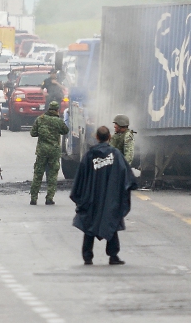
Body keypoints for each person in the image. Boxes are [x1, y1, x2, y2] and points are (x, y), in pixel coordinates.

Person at [70, 125, 138, 266]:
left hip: (92, 198)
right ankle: (113, 256)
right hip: (110, 198)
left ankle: (87, 256)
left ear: (96, 137)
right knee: (111, 222)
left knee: (89, 225)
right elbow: (126, 175)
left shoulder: (89, 156)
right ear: (109, 137)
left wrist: (79, 197)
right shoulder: (116, 155)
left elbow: (80, 178)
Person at [29, 101, 69, 206]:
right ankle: (49, 198)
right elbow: (65, 131)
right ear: (57, 110)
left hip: (42, 151)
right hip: (54, 151)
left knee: (38, 174)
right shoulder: (58, 121)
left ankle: (33, 198)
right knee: (52, 175)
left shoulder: (40, 119)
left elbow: (33, 133)